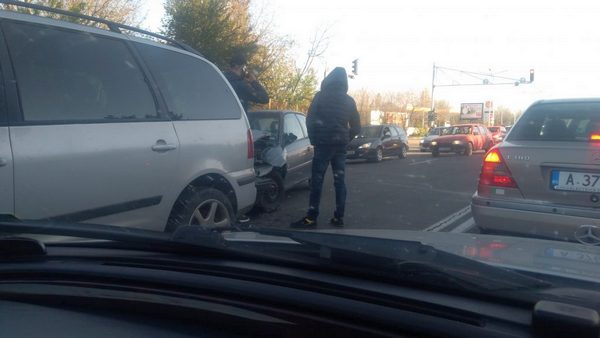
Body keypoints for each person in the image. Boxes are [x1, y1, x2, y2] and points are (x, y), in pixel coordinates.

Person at [291, 67, 361, 228]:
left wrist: (315, 139)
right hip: (340, 147)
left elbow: (309, 120)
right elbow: (357, 127)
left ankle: (311, 217)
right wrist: (345, 138)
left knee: (317, 181)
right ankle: (339, 217)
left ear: (328, 80)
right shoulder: (349, 101)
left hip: (323, 145)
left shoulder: (320, 97)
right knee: (339, 181)